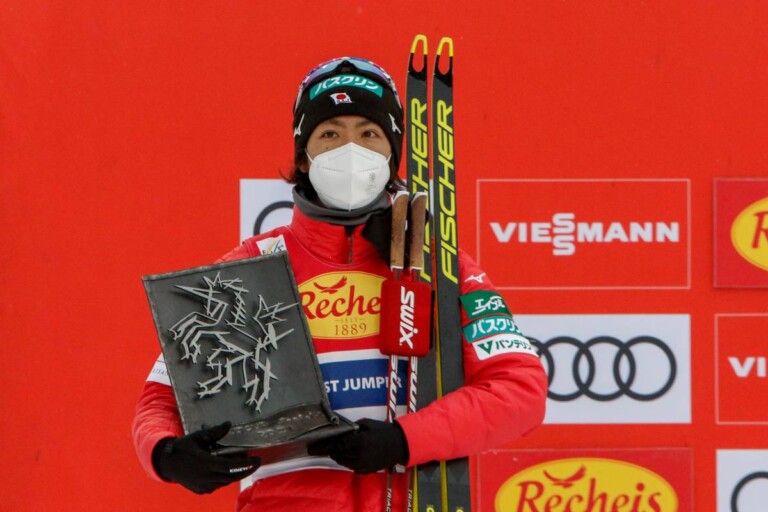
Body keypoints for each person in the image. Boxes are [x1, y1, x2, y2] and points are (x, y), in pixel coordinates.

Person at [132, 56, 547, 511]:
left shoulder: (439, 268)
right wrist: (168, 454)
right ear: (303, 156)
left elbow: (519, 391)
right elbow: (163, 398)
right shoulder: (252, 267)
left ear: (392, 155)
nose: (350, 149)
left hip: (411, 498)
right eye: (330, 134)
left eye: (369, 134)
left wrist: (404, 440)